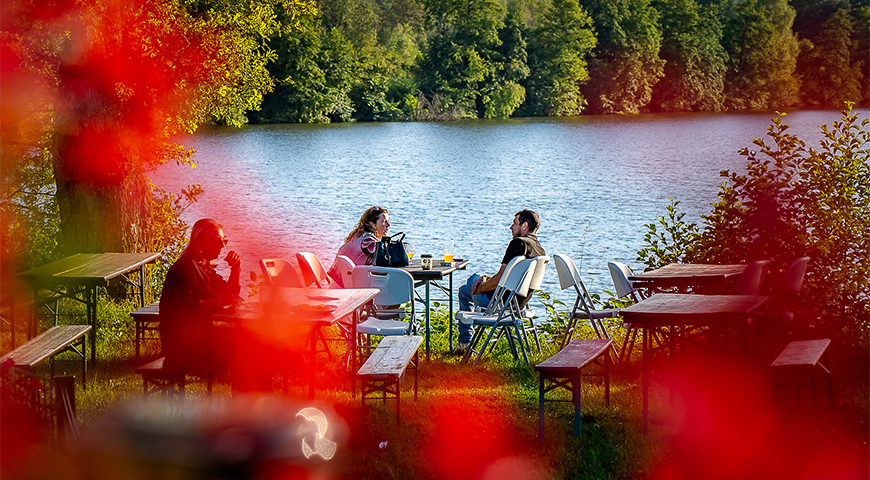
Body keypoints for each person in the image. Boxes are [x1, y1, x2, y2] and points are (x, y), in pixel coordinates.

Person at [159, 218, 245, 370]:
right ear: (199, 241)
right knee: (244, 344)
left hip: (197, 336)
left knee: (244, 336)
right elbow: (183, 309)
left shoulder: (203, 266)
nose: (221, 246)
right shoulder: (186, 267)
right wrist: (220, 302)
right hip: (181, 345)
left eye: (223, 241)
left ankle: (250, 388)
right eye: (216, 241)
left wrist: (236, 268)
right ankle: (247, 390)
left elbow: (229, 292)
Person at [456, 209, 545, 349]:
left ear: (524, 226)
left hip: (499, 303)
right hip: (518, 303)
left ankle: (464, 342)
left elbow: (499, 281)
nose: (511, 227)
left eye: (514, 222)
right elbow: (509, 277)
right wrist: (486, 278)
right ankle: (464, 342)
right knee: (479, 278)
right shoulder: (539, 250)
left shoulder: (518, 244)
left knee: (466, 288)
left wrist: (479, 289)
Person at [327, 206, 390, 287]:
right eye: (384, 221)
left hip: (339, 284)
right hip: (348, 289)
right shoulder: (368, 241)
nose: (388, 225)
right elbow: (381, 264)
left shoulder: (358, 235)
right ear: (373, 225)